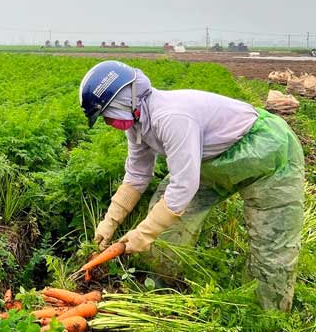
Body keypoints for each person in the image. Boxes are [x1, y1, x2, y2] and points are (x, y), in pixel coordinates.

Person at [79, 60, 304, 311]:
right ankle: (164, 290)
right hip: (216, 159)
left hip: (268, 149)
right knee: (164, 222)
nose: (106, 122)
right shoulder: (137, 125)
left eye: (106, 114)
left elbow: (184, 185)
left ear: (121, 101)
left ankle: (268, 314)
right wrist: (109, 224)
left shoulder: (171, 117)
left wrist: (142, 234)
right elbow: (137, 175)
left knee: (272, 243)